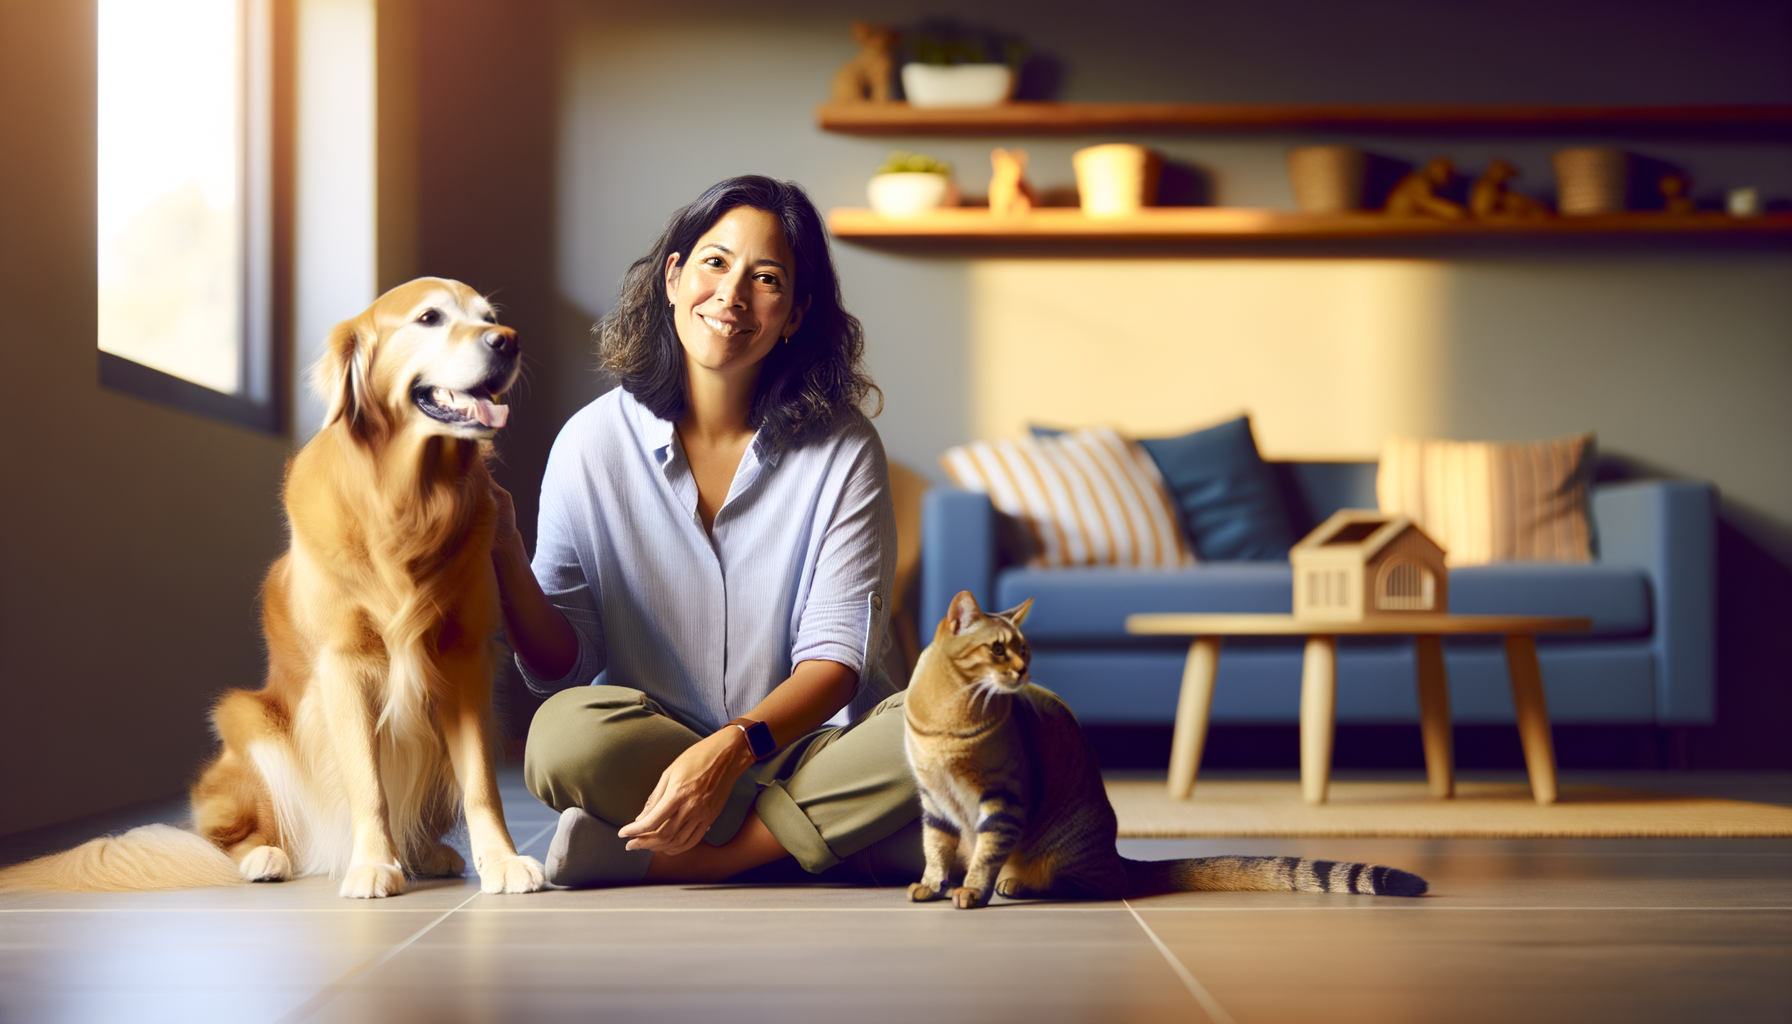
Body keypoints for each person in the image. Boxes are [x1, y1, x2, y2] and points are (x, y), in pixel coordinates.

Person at [492, 175, 922, 888]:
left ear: (794, 313)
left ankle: (695, 856)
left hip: (802, 750)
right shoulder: (590, 444)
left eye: (768, 277)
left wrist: (730, 751)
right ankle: (842, 839)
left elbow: (836, 663)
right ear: (673, 277)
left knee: (982, 714)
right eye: (716, 263)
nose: (732, 295)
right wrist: (506, 548)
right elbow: (561, 665)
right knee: (560, 735)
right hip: (650, 752)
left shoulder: (844, 449)